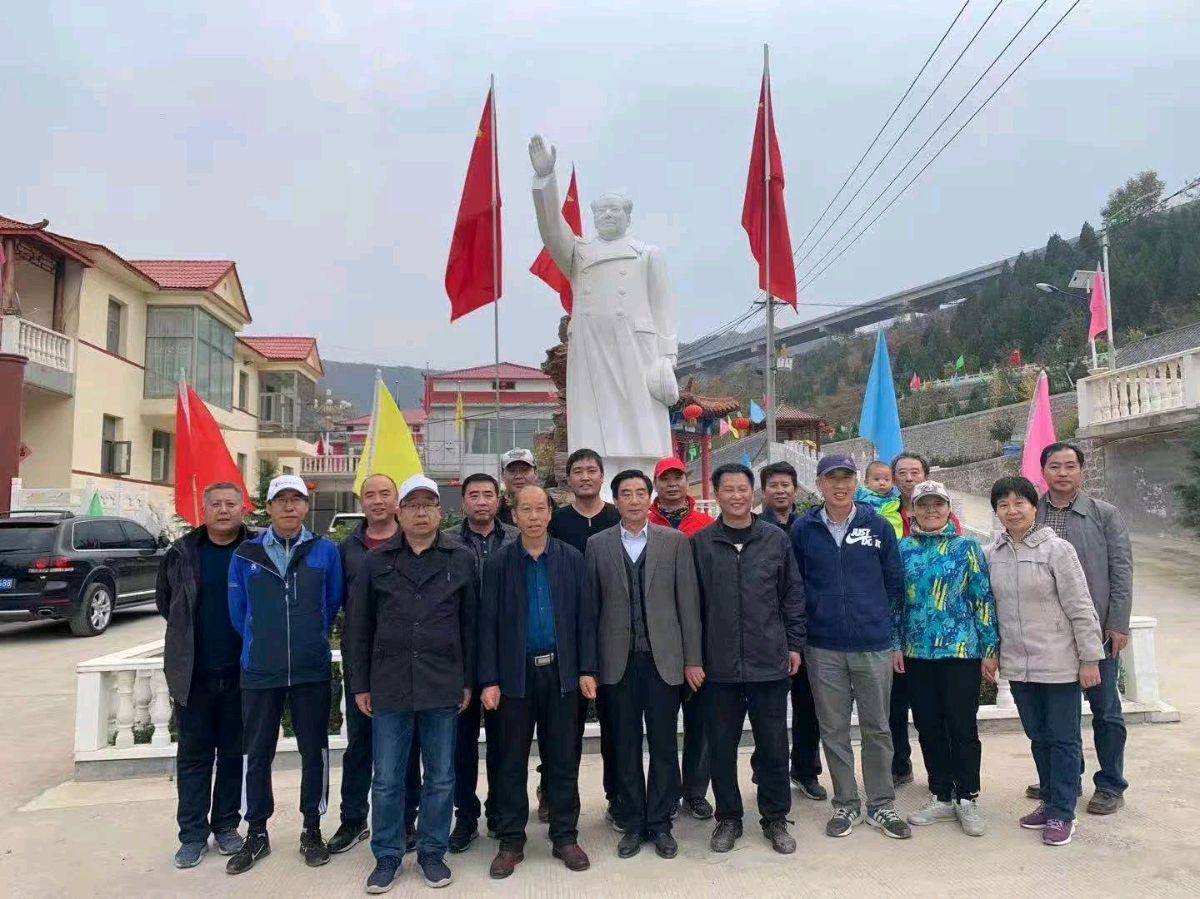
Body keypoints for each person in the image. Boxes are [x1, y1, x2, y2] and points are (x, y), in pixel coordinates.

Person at [345, 474, 478, 892]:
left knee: (441, 776)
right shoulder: (376, 562)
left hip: (442, 682)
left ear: (440, 511)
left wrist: (468, 681)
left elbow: (470, 626)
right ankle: (387, 855)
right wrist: (361, 684)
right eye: (413, 505)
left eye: (428, 505)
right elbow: (358, 628)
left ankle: (432, 852)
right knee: (386, 778)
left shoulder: (460, 558)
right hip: (390, 684)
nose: (421, 513)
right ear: (399, 513)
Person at [225, 475, 344, 874]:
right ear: (269, 507)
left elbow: (331, 603)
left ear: (306, 506)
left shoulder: (325, 551)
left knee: (315, 751)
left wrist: (308, 638)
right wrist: (264, 642)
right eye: (281, 500)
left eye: (297, 499)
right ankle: (256, 832)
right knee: (257, 753)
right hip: (261, 669)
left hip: (311, 669)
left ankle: (312, 828)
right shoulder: (246, 554)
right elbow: (239, 613)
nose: (290, 507)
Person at [584, 469, 703, 859]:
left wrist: (692, 659)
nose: (633, 500)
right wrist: (590, 667)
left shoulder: (674, 542)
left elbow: (689, 606)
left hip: (663, 662)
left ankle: (661, 822)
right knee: (625, 744)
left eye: (640, 493)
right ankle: (633, 821)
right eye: (626, 493)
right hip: (617, 664)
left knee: (665, 744)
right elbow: (591, 611)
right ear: (615, 500)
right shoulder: (598, 545)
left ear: (649, 499)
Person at [791, 455, 910, 840]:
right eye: (832, 479)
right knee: (834, 728)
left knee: (877, 728)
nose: (839, 486)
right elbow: (794, 585)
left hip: (872, 644)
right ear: (819, 484)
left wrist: (881, 626)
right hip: (822, 647)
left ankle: (880, 804)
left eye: (846, 478)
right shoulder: (804, 529)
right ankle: (845, 803)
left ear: (855, 482)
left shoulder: (877, 526)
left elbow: (894, 583)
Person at [690, 463, 806, 855]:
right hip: (718, 667)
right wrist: (694, 658)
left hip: (768, 661)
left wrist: (793, 645)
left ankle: (775, 818)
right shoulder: (701, 544)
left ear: (752, 493)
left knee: (773, 746)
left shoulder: (775, 539)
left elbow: (792, 595)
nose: (736, 496)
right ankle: (728, 817)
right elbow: (692, 606)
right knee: (721, 747)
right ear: (716, 494)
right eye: (728, 489)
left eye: (743, 489)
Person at [479, 485, 593, 879]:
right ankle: (511, 841)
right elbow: (487, 625)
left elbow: (585, 619)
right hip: (515, 676)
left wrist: (586, 670)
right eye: (524, 509)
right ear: (513, 516)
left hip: (561, 673)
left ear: (549, 514)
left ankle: (565, 836)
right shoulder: (499, 563)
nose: (532, 516)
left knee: (562, 759)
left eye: (539, 509)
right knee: (510, 761)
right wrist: (489, 679)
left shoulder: (571, 559)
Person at [985, 476, 1104, 847]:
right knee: (1038, 736)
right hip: (1018, 665)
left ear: (1034, 507)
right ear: (997, 511)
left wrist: (1089, 658)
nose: (1012, 510)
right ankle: (1050, 800)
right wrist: (991, 652)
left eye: (1019, 503)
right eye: (1004, 504)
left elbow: (1081, 606)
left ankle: (1063, 812)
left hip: (1058, 661)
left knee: (1063, 738)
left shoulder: (1057, 550)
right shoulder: (992, 554)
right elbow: (989, 609)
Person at [1033, 442, 1133, 816]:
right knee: (1060, 713)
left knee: (1105, 711)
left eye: (1070, 466)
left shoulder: (1104, 514)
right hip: (1049, 634)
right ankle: (1065, 778)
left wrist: (1118, 622)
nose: (1062, 473)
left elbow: (1121, 570)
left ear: (1081, 470)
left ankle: (1110, 784)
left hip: (1096, 630)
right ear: (1043, 471)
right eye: (1055, 466)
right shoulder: (1031, 512)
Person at [897, 480, 998, 837]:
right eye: (923, 504)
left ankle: (967, 796)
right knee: (928, 725)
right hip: (916, 652)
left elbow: (982, 599)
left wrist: (989, 649)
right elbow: (895, 601)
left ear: (948, 508)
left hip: (960, 650)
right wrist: (895, 644)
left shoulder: (966, 547)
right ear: (912, 510)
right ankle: (941, 793)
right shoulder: (903, 549)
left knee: (961, 725)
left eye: (937, 504)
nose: (931, 510)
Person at [157, 482, 249, 869]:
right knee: (193, 757)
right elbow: (167, 603)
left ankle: (226, 825)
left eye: (231, 504)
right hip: (194, 674)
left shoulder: (255, 550)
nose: (223, 510)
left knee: (232, 755)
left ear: (242, 509)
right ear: (204, 509)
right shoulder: (182, 553)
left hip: (241, 673)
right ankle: (192, 835)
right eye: (216, 504)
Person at [328, 474, 421, 860]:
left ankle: (406, 820)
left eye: (386, 494)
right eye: (370, 495)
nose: (378, 500)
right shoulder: (347, 549)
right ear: (361, 502)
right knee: (360, 744)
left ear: (397, 501)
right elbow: (335, 603)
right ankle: (353, 819)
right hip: (364, 661)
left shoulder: (413, 542)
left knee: (408, 746)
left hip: (407, 662)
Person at [441, 473, 518, 852]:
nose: (482, 501)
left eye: (489, 494)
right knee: (462, 744)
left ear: (499, 500)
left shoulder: (516, 539)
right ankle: (466, 816)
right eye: (474, 495)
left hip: (507, 654)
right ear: (463, 502)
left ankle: (502, 812)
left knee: (506, 742)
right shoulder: (446, 542)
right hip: (460, 654)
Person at [549, 448, 622, 828]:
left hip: (612, 637)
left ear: (602, 475)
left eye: (592, 470)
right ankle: (556, 796)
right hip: (567, 638)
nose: (585, 477)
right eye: (578, 471)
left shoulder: (617, 518)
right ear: (569, 478)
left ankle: (617, 797)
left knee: (615, 725)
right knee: (564, 729)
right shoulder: (557, 522)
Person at [647, 456, 715, 820]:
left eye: (678, 478)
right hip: (658, 641)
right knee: (661, 725)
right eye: (665, 479)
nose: (672, 484)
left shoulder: (704, 525)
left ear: (686, 482)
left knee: (699, 722)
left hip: (700, 635)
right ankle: (667, 792)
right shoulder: (644, 524)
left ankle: (695, 791)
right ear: (656, 484)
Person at [889, 451, 962, 786]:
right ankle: (901, 764)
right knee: (900, 707)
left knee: (947, 714)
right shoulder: (882, 512)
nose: (908, 477)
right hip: (907, 636)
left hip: (946, 638)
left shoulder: (950, 524)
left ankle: (955, 779)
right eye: (902, 472)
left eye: (915, 471)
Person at [755, 461, 826, 802]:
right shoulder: (754, 528)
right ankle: (766, 769)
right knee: (766, 708)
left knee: (808, 705)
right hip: (766, 630)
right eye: (773, 485)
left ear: (795, 490)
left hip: (807, 628)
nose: (780, 491)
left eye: (786, 485)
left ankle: (805, 770)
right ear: (763, 491)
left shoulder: (810, 527)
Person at [497, 448, 553, 526]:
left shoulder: (551, 507)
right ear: (502, 475)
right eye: (512, 471)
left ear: (536, 473)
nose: (519, 476)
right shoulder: (494, 512)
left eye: (524, 470)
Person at [855, 460, 903, 537]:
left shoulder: (894, 499)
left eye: (886, 479)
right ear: (866, 483)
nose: (882, 483)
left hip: (894, 536)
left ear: (892, 483)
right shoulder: (864, 499)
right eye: (876, 479)